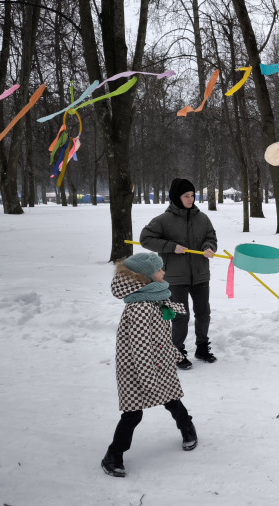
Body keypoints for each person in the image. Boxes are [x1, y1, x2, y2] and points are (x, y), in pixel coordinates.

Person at [102, 253, 198, 478]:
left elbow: (160, 337)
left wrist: (174, 354)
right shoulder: (141, 307)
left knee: (172, 400)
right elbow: (141, 347)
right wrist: (148, 379)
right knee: (133, 414)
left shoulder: (152, 299)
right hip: (139, 370)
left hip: (158, 363)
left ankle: (188, 429)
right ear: (145, 278)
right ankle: (113, 455)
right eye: (159, 270)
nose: (163, 273)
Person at [140, 178, 218, 369]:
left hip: (200, 274)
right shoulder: (163, 220)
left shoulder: (202, 218)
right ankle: (177, 352)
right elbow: (145, 238)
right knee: (180, 316)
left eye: (192, 195)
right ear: (177, 197)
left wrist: (209, 247)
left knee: (203, 313)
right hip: (175, 277)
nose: (191, 199)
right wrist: (170, 247)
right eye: (186, 196)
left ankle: (202, 348)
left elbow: (211, 237)